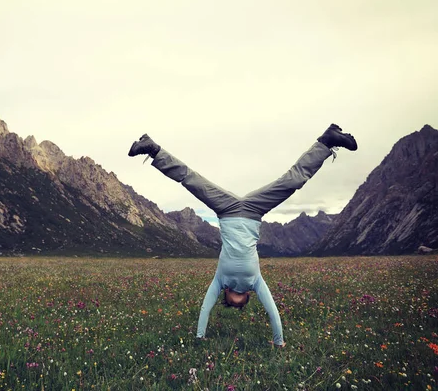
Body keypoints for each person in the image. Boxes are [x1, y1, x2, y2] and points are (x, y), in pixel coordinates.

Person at [128, 124, 357, 347]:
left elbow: (206, 308)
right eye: (242, 294)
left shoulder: (220, 281)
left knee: (190, 179)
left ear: (226, 294)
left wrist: (200, 337)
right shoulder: (255, 282)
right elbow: (272, 311)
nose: (238, 291)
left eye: (233, 295)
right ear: (248, 294)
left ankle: (152, 148)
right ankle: (328, 140)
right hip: (254, 210)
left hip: (226, 209)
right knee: (293, 181)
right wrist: (279, 342)